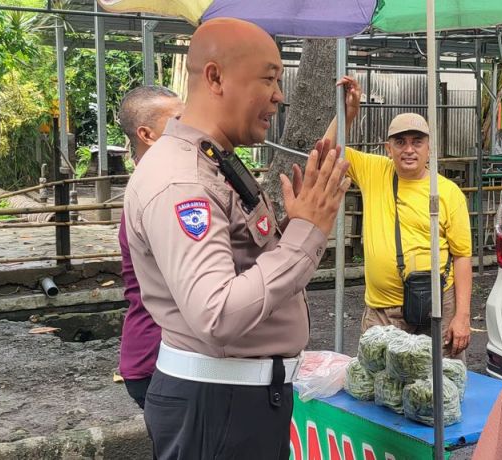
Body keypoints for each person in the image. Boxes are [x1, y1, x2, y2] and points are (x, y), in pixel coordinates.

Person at [123, 18, 350, 459]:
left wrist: (296, 225)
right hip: (219, 407)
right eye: (269, 78)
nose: (279, 95)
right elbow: (218, 312)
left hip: (238, 400)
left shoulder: (213, 161)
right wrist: (307, 234)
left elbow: (246, 256)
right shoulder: (184, 182)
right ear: (215, 78)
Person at [322, 76, 473, 357]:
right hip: (383, 311)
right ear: (387, 148)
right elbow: (326, 155)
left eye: (417, 142)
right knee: (376, 379)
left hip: (438, 306)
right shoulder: (375, 171)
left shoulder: (448, 192)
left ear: (429, 148)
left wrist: (462, 317)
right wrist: (348, 113)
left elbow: (462, 255)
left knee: (440, 379)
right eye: (400, 142)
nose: (409, 149)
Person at [114, 85, 184, 409]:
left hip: (160, 354)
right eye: (178, 121)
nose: (190, 128)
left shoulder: (158, 183)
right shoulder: (159, 192)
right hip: (158, 357)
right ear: (147, 134)